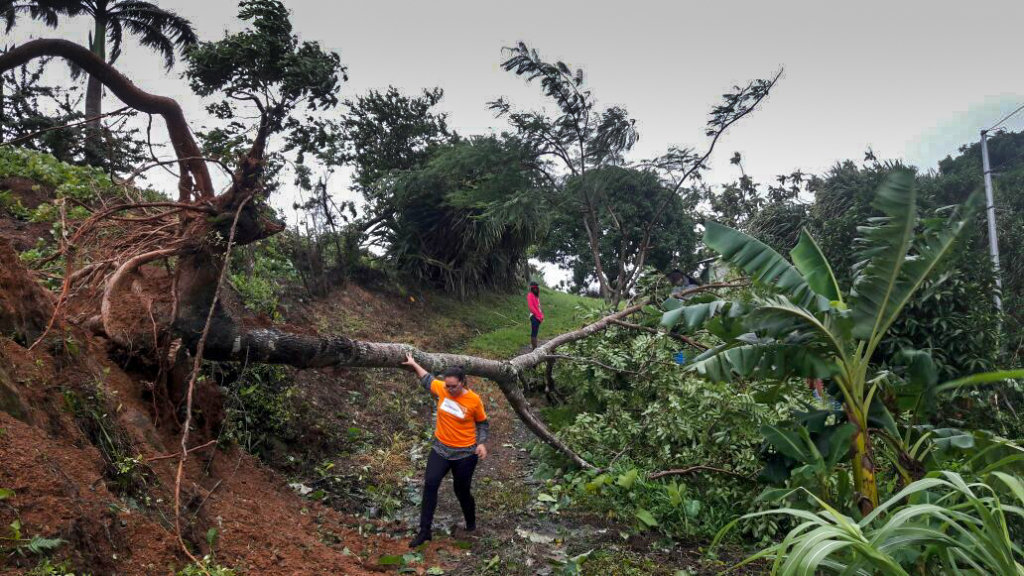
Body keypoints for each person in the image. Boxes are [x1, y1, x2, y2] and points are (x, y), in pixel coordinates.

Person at [401, 353, 489, 548]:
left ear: (463, 383)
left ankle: (471, 524)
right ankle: (425, 531)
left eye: (453, 386)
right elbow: (427, 379)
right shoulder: (442, 389)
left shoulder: (474, 400)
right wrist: (414, 364)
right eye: (447, 385)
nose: (449, 389)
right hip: (440, 449)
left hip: (465, 455)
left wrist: (481, 443)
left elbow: (482, 424)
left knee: (461, 490)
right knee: (430, 484)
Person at [527, 281, 544, 349]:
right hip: (534, 316)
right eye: (534, 288)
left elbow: (538, 307)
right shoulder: (530, 295)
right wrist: (538, 316)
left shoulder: (536, 296)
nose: (535, 289)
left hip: (538, 317)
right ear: (532, 288)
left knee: (535, 332)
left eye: (536, 288)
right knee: (534, 332)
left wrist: (541, 315)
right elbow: (531, 307)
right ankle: (534, 348)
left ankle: (535, 347)